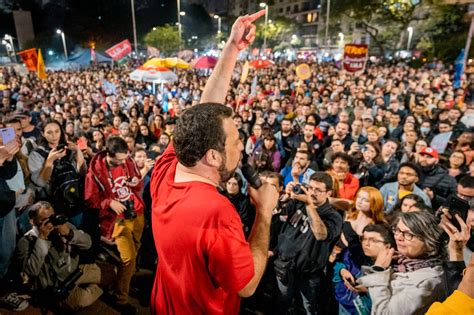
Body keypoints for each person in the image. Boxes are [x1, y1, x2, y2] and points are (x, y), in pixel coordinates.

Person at [149, 11, 279, 314]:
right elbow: (245, 285)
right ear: (213, 156)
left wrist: (232, 48)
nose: (242, 145)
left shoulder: (168, 170)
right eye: (235, 140)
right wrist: (265, 214)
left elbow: (206, 110)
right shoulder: (216, 211)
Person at [84, 136, 145, 314]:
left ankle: (123, 283)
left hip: (137, 212)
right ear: (108, 154)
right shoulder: (94, 172)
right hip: (117, 220)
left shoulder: (127, 160)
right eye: (117, 160)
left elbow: (138, 182)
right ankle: (121, 298)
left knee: (134, 253)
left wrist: (136, 182)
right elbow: (90, 200)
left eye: (124, 159)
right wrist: (108, 202)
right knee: (128, 258)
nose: (121, 163)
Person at [274, 172, 343, 314]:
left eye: (318, 190)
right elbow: (277, 211)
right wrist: (285, 196)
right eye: (310, 187)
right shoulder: (299, 201)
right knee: (282, 301)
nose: (312, 192)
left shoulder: (333, 216)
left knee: (310, 308)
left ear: (328, 193)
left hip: (309, 274)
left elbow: (320, 234)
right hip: (285, 266)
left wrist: (309, 204)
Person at [15, 201, 103, 311]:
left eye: (52, 217)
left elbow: (88, 243)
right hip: (56, 285)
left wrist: (70, 233)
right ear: (32, 221)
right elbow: (31, 272)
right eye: (44, 220)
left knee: (106, 274)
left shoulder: (62, 226)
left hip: (75, 272)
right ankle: (92, 288)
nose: (50, 223)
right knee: (82, 299)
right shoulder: (25, 242)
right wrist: (41, 239)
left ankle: (91, 284)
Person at [358, 211, 446, 314]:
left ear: (430, 242)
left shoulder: (427, 283)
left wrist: (379, 270)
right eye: (397, 230)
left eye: (408, 234)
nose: (398, 237)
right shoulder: (400, 261)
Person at [333, 224, 396, 315]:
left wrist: (368, 290)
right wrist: (342, 271)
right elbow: (339, 264)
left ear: (387, 246)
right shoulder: (353, 253)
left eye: (373, 240)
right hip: (345, 305)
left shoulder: (394, 268)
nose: (366, 244)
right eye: (364, 239)